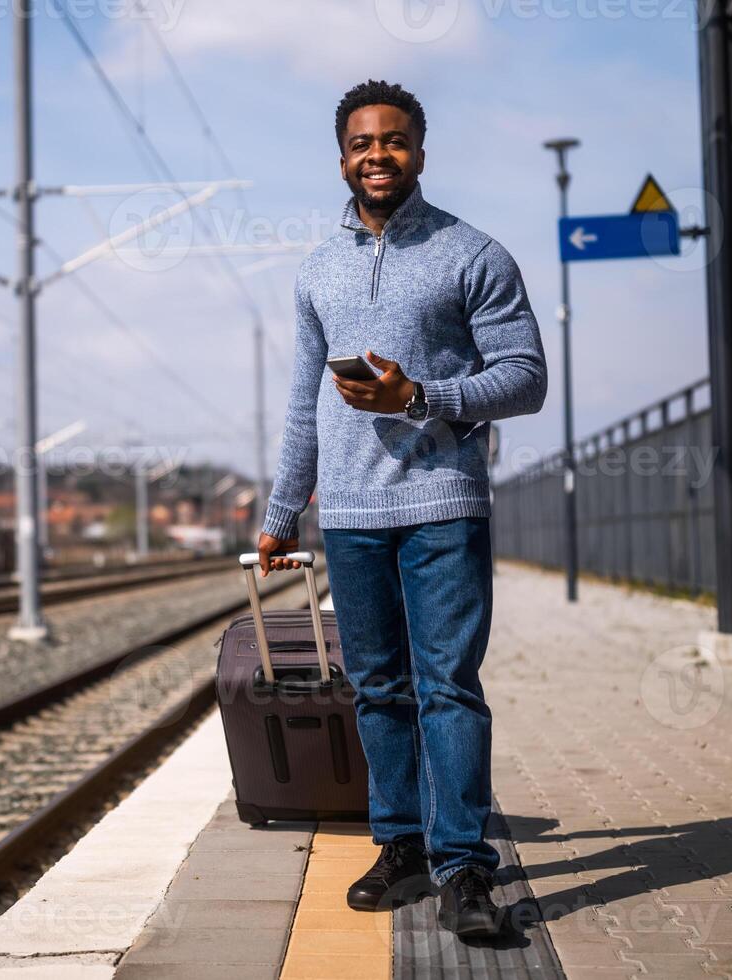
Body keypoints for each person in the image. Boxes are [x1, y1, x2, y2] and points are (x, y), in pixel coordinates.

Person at [256, 79, 547, 939]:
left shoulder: (474, 254)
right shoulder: (316, 270)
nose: (375, 155)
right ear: (341, 156)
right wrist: (282, 512)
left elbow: (525, 377)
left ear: (420, 150)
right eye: (360, 142)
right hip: (348, 516)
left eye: (392, 140)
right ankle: (402, 849)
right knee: (379, 690)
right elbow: (305, 406)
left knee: (447, 686)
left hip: (443, 506)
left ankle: (465, 869)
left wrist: (419, 396)